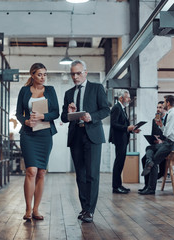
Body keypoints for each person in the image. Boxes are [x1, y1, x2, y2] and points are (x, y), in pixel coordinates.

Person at [61, 60, 110, 223]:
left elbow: (105, 110)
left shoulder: (96, 88)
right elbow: (63, 118)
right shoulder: (69, 93)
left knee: (92, 174)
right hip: (76, 136)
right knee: (80, 175)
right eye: (73, 74)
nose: (75, 76)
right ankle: (84, 208)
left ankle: (90, 210)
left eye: (78, 73)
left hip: (92, 135)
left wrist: (92, 117)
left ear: (86, 72)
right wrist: (68, 113)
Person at [16, 63, 59, 221]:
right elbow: (18, 113)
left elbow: (56, 113)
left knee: (41, 172)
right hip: (28, 134)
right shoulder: (24, 90)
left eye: (45, 74)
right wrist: (26, 121)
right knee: (31, 171)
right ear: (32, 75)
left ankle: (36, 209)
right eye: (40, 74)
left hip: (45, 134)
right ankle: (27, 209)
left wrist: (42, 116)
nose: (43, 77)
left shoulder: (50, 91)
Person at [139, 95, 174, 195]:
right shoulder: (172, 114)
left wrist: (161, 136)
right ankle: (149, 162)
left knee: (154, 163)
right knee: (149, 148)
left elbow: (166, 134)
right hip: (169, 143)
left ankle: (151, 189)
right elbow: (166, 131)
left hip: (171, 144)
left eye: (164, 102)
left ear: (168, 103)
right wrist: (161, 126)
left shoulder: (172, 115)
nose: (163, 105)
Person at [109, 90, 140, 194]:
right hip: (119, 139)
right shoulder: (116, 108)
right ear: (121, 98)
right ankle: (116, 187)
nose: (129, 99)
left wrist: (132, 130)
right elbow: (114, 124)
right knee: (118, 162)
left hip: (123, 138)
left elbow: (122, 125)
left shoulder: (122, 108)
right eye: (127, 98)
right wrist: (127, 128)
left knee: (120, 162)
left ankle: (119, 185)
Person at [138, 101, 167, 192]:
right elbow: (153, 134)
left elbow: (170, 135)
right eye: (157, 107)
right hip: (156, 145)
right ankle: (147, 185)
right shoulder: (154, 120)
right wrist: (154, 139)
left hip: (165, 146)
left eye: (160, 107)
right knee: (144, 159)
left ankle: (151, 185)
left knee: (151, 160)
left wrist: (162, 140)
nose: (158, 109)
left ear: (165, 109)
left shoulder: (168, 119)